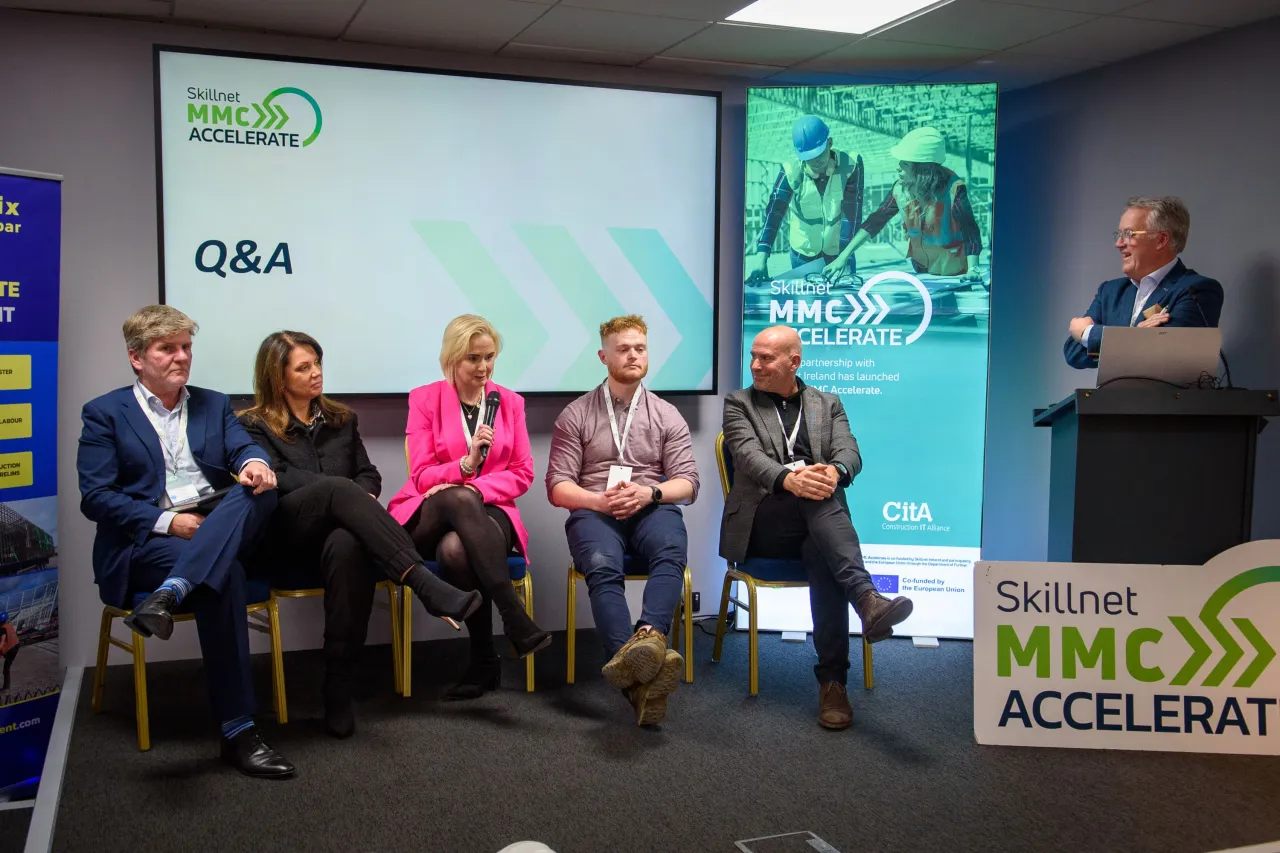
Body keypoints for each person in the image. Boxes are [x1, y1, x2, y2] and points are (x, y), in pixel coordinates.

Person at [76, 305, 292, 778]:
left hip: (216, 521)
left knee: (259, 490)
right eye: (167, 349)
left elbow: (242, 447)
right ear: (137, 358)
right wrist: (168, 523)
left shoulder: (213, 403)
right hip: (148, 541)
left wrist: (255, 462)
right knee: (225, 574)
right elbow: (96, 497)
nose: (181, 357)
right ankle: (239, 731)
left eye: (186, 347)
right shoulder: (105, 413)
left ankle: (171, 592)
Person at [239, 331, 484, 737]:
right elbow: (276, 478)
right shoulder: (252, 426)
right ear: (278, 379)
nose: (316, 373)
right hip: (286, 534)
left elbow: (368, 473)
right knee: (338, 491)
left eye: (318, 363)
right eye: (303, 368)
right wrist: (346, 493)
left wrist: (360, 495)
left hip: (338, 538)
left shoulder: (341, 419)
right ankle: (423, 583)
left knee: (347, 542)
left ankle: (338, 686)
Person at [720, 325, 914, 731]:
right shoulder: (739, 403)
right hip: (764, 521)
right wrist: (791, 480)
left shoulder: (828, 404)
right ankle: (866, 598)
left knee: (823, 548)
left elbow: (850, 452)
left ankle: (833, 683)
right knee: (818, 499)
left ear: (794, 362)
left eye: (766, 358)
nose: (755, 365)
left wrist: (835, 470)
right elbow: (749, 456)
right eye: (753, 356)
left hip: (816, 530)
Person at [546, 315, 699, 726]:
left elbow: (688, 483)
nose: (633, 355)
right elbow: (558, 486)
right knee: (602, 566)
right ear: (603, 356)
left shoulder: (667, 414)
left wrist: (650, 493)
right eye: (624, 349)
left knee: (671, 551)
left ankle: (648, 637)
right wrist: (599, 501)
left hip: (651, 506)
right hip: (595, 509)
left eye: (640, 348)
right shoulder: (576, 413)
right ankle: (638, 677)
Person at [387, 315, 550, 700]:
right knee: (457, 501)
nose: (483, 367)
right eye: (473, 358)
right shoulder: (424, 399)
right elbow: (422, 475)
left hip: (491, 510)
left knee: (456, 549)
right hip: (430, 512)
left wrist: (473, 488)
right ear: (452, 358)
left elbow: (522, 473)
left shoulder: (509, 402)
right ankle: (514, 615)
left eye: (489, 357)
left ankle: (484, 662)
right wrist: (465, 465)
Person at [1064, 196, 1224, 369]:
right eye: (1119, 235)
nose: (1118, 244)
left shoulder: (1197, 290)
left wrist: (1089, 333)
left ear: (1161, 240)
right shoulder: (1110, 291)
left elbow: (1169, 353)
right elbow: (1074, 352)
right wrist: (1138, 338)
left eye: (1128, 234)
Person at [840, 126, 983, 283]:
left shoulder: (953, 190)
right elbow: (875, 221)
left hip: (954, 272)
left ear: (923, 170)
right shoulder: (900, 189)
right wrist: (842, 257)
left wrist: (973, 269)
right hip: (922, 269)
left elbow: (970, 232)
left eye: (905, 164)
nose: (898, 167)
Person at [746, 115, 865, 283]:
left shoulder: (851, 165)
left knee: (842, 297)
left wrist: (844, 257)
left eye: (819, 154)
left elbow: (851, 215)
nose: (815, 161)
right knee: (807, 299)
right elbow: (774, 213)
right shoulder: (790, 171)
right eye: (808, 156)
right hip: (803, 255)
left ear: (829, 143)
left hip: (839, 251)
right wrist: (761, 258)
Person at [0, 612, 17, 692]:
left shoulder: (2, 629)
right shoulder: (9, 626)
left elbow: (2, 642)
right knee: (6, 668)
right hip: (15, 647)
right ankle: (6, 687)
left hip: (11, 649)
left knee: (6, 669)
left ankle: (6, 688)